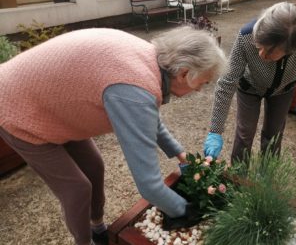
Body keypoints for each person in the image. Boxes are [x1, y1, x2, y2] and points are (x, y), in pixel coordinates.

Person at [0, 27, 226, 245]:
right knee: (77, 190)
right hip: (18, 109)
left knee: (95, 166)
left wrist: (180, 154)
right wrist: (188, 212)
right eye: (202, 83)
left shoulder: (149, 61)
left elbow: (148, 118)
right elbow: (149, 185)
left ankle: (98, 229)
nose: (199, 90)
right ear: (184, 73)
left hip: (53, 106)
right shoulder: (134, 90)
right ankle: (84, 241)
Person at [203, 2, 296, 162]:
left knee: (274, 135)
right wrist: (215, 130)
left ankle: (266, 175)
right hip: (249, 87)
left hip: (284, 90)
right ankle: (238, 175)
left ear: (291, 49)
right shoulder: (246, 36)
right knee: (244, 133)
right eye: (259, 45)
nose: (261, 54)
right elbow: (227, 81)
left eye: (269, 51)